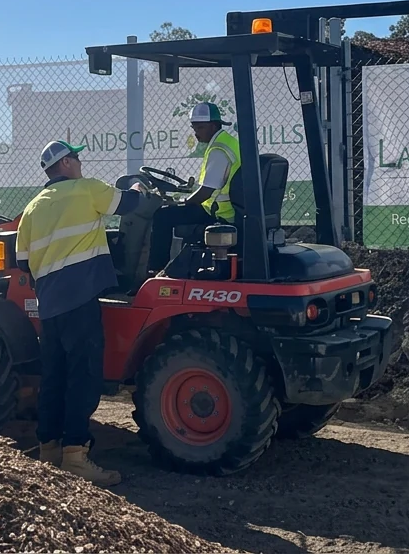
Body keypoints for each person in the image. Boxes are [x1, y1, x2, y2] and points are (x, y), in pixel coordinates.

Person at [16, 139, 142, 487]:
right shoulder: (87, 190)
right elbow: (129, 205)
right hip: (81, 302)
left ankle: (49, 449)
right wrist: (137, 185)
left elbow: (22, 261)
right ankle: (76, 455)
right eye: (77, 158)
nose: (81, 162)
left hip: (50, 307)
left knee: (54, 377)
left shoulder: (32, 208)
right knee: (83, 377)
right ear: (67, 164)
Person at [146, 102, 241, 275]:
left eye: (200, 127)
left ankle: (155, 271)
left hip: (220, 213)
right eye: (194, 127)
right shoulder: (228, 142)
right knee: (173, 212)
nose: (196, 133)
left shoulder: (218, 150)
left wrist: (182, 202)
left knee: (162, 216)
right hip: (227, 209)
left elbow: (206, 192)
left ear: (213, 126)